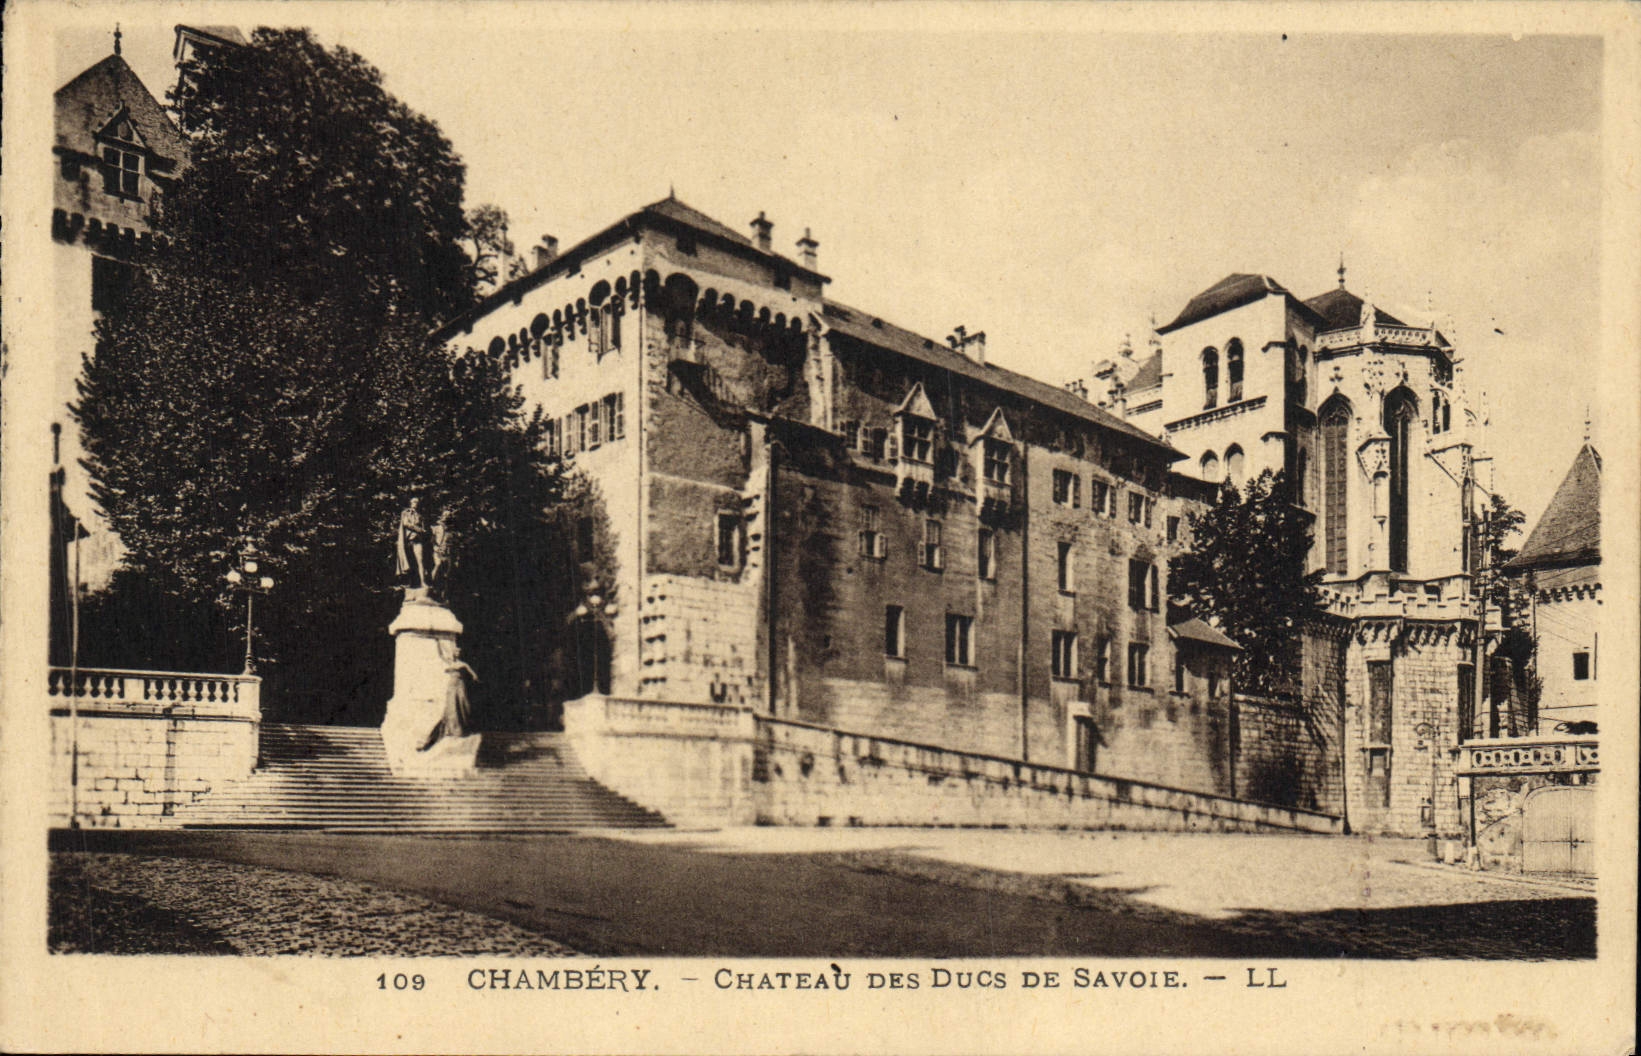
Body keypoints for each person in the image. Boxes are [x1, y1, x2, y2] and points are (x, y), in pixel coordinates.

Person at [423, 642, 476, 750]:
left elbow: (474, 675)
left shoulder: (463, 664)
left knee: (461, 703)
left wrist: (470, 678)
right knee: (451, 706)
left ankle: (461, 727)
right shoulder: (450, 663)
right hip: (451, 686)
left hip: (459, 685)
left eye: (458, 652)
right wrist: (437, 644)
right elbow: (441, 655)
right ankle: (452, 728)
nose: (457, 653)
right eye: (455, 652)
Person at [396, 498, 428, 589]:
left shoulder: (420, 515)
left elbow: (423, 528)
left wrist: (423, 531)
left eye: (417, 502)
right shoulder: (406, 513)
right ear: (410, 503)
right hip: (408, 540)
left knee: (420, 560)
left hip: (417, 539)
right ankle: (411, 583)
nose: (416, 503)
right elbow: (406, 523)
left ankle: (423, 582)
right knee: (409, 562)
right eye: (414, 502)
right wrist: (418, 529)